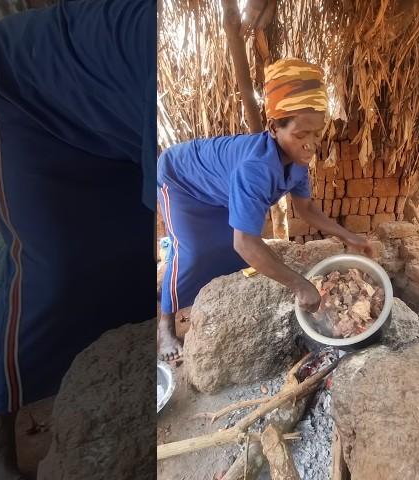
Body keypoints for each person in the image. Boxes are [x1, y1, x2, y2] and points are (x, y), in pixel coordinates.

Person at [0, 1, 156, 478]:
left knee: (132, 259)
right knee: (49, 270)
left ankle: (98, 398)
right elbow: (175, 223)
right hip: (23, 98)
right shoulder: (171, 58)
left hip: (108, 127)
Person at [157, 58, 373, 361]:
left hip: (220, 188)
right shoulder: (255, 169)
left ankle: (211, 307)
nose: (311, 145)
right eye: (301, 135)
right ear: (273, 128)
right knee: (191, 252)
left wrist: (349, 236)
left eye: (317, 133)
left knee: (227, 253)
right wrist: (300, 284)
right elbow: (245, 242)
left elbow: (306, 208)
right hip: (181, 180)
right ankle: (165, 325)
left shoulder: (297, 161)